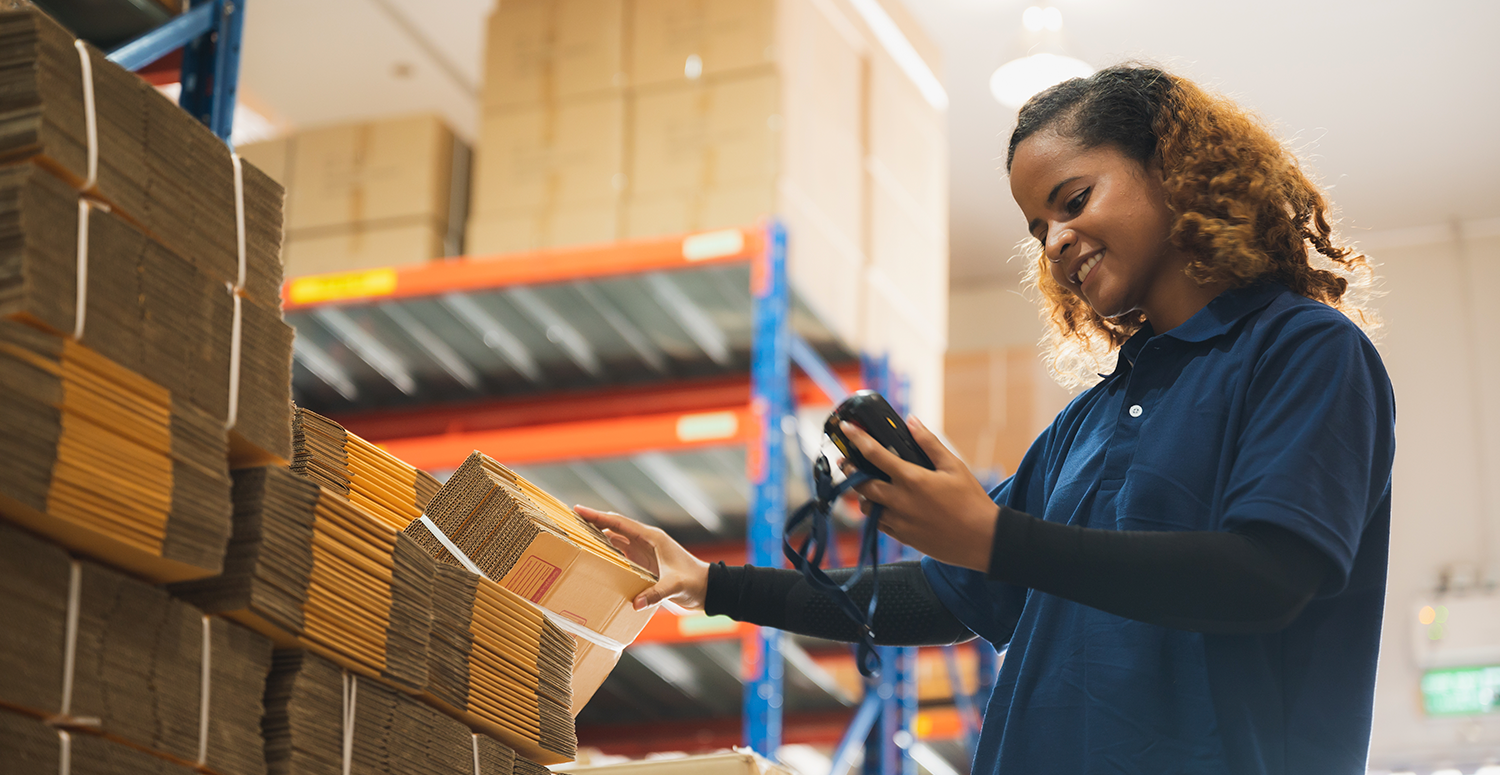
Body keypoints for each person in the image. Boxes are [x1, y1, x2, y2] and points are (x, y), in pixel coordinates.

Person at [577, 64, 1395, 775]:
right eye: (1038, 227)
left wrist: (997, 539)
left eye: (1073, 200)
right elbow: (940, 598)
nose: (1055, 242)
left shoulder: (1306, 352)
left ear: (1174, 171)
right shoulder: (1084, 427)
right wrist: (713, 583)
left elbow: (1267, 578)